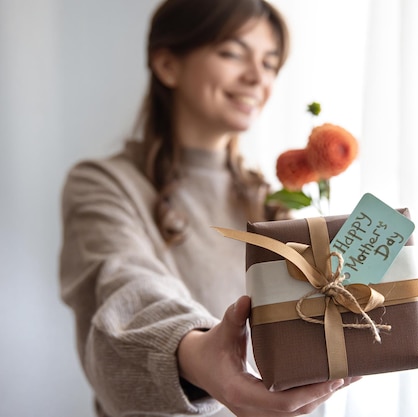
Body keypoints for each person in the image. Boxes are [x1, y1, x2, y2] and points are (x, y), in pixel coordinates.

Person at [59, 0, 357, 416]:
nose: (257, 78)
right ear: (168, 65)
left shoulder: (272, 201)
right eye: (233, 53)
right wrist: (199, 354)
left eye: (270, 63)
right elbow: (126, 291)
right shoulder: (104, 185)